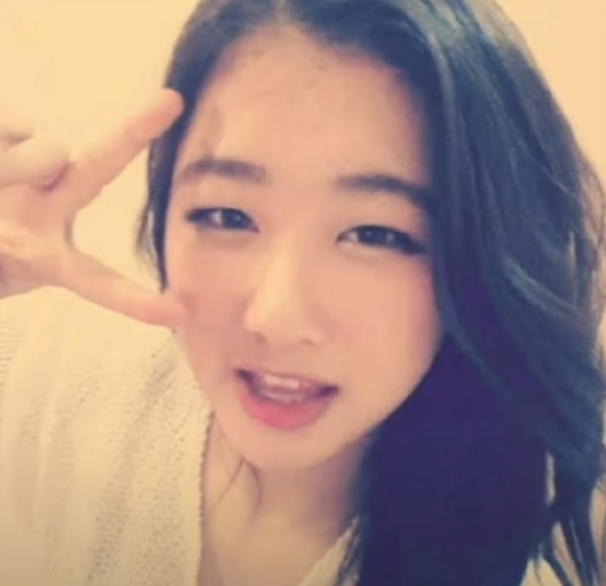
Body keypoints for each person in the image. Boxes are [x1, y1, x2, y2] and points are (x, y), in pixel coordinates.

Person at [0, 0, 604, 584]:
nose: (276, 318)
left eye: (375, 234)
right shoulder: (51, 389)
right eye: (228, 216)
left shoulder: (524, 563)